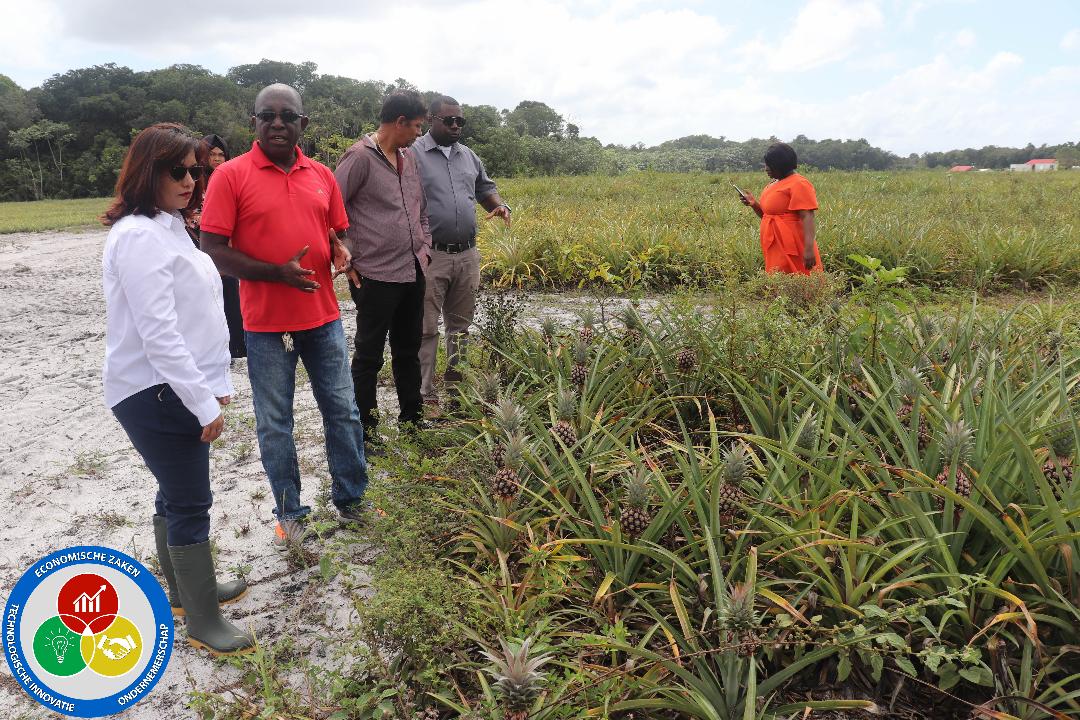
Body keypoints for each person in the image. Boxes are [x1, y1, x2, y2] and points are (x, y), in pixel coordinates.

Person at [101, 122, 254, 656]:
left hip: (171, 385)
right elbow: (159, 333)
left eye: (196, 170)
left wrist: (213, 382)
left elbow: (198, 314)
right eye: (178, 171)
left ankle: (188, 594)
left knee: (173, 493)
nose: (191, 180)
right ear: (148, 171)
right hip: (156, 390)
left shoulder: (165, 225)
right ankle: (203, 621)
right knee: (191, 501)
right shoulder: (140, 236)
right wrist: (202, 400)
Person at [199, 83, 370, 546]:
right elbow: (213, 249)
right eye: (267, 115)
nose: (277, 123)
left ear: (302, 124)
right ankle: (291, 513)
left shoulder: (322, 174)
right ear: (253, 122)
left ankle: (353, 500)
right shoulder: (230, 176)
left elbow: (338, 232)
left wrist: (342, 251)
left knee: (344, 412)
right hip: (266, 326)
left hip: (322, 317)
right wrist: (277, 273)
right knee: (276, 424)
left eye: (287, 116)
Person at [333, 92, 431, 446]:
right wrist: (345, 257)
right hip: (374, 274)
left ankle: (413, 421)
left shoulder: (409, 157)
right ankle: (367, 431)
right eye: (417, 126)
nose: (419, 133)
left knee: (408, 349)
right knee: (369, 355)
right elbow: (329, 206)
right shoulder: (359, 158)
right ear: (399, 122)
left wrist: (426, 246)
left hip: (413, 269)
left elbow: (420, 207)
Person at [411, 96, 511, 414]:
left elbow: (484, 188)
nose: (455, 126)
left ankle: (457, 390)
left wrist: (497, 204)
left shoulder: (467, 155)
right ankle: (426, 395)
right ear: (431, 120)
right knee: (426, 328)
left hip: (467, 254)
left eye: (460, 121)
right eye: (449, 120)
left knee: (460, 327)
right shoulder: (412, 154)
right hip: (431, 255)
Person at [189, 133, 246, 359]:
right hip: (196, 242)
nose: (217, 159)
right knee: (205, 295)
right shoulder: (193, 179)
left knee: (231, 292)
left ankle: (237, 345)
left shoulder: (230, 178)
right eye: (212, 154)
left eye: (221, 154)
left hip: (225, 243)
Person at [739, 142, 821, 274]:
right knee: (778, 282)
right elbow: (768, 216)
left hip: (794, 245)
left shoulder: (799, 183)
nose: (766, 168)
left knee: (799, 281)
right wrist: (754, 204)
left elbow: (807, 216)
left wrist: (809, 249)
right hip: (775, 245)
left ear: (780, 165)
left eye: (769, 165)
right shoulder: (773, 184)